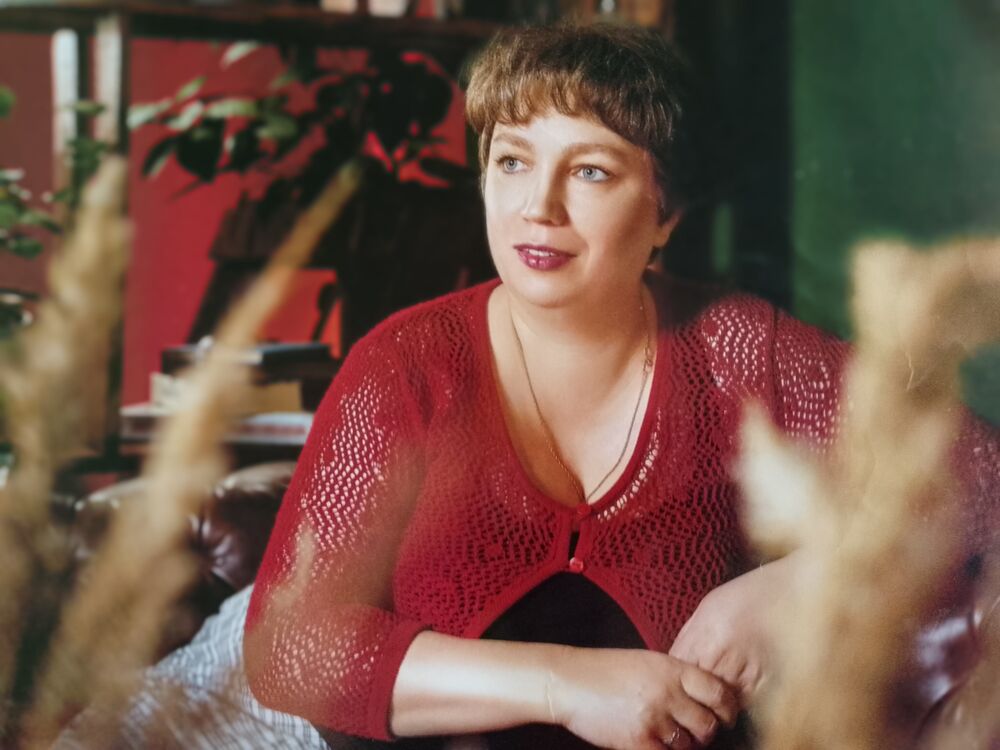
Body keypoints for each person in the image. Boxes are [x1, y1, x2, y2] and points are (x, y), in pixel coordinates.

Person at [243, 22, 851, 750]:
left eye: (590, 171)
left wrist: (792, 587)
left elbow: (964, 482)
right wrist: (566, 684)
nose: (539, 206)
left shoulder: (739, 351)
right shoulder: (405, 365)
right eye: (512, 161)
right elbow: (289, 648)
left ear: (666, 213)